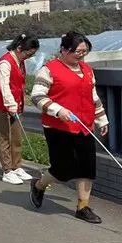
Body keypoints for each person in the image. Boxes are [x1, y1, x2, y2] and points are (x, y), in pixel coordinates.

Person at [29, 31, 109, 224]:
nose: (81, 56)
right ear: (64, 50)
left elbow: (93, 97)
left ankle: (83, 207)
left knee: (87, 167)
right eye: (77, 52)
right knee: (62, 170)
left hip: (84, 125)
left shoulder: (87, 71)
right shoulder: (49, 70)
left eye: (84, 52)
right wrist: (57, 110)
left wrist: (102, 119)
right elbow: (37, 97)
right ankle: (39, 185)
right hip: (58, 127)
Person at [0, 34, 40, 185]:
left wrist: (16, 105)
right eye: (29, 53)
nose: (30, 57)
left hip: (15, 105)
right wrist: (10, 105)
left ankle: (17, 167)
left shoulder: (20, 61)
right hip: (0, 105)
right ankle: (7, 171)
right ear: (19, 48)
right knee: (3, 138)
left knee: (16, 137)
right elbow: (4, 87)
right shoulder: (5, 63)